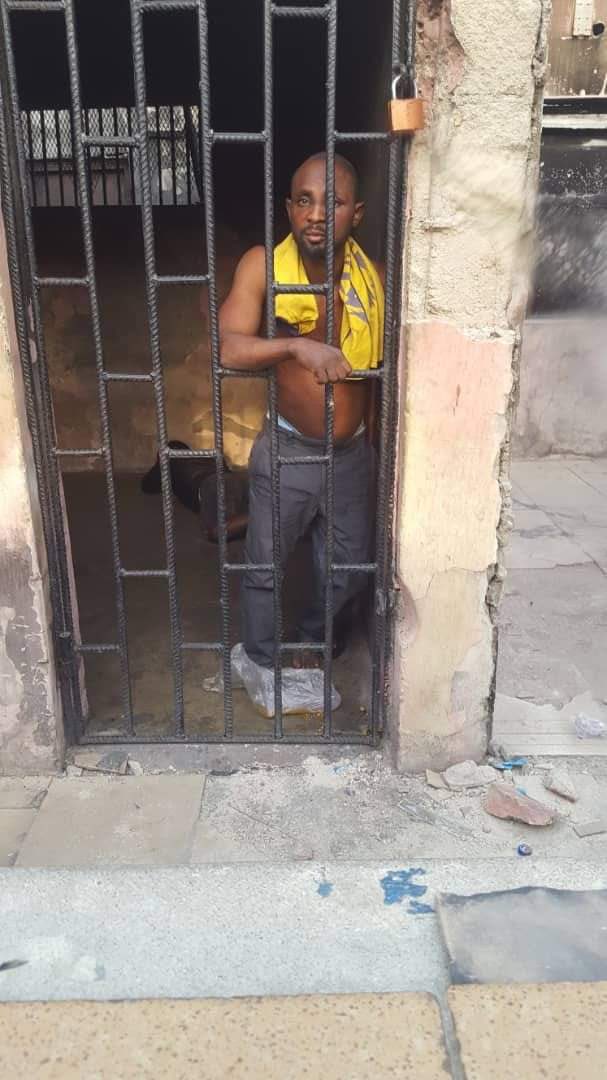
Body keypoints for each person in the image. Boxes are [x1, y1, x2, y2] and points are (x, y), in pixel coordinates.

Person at [219, 152, 384, 670]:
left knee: (351, 566)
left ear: (355, 213)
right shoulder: (263, 266)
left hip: (353, 454)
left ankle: (316, 642)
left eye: (331, 202)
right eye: (305, 201)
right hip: (288, 448)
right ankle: (263, 662)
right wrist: (294, 347)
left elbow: (386, 372)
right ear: (290, 209)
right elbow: (226, 346)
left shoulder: (373, 279)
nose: (316, 214)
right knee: (266, 566)